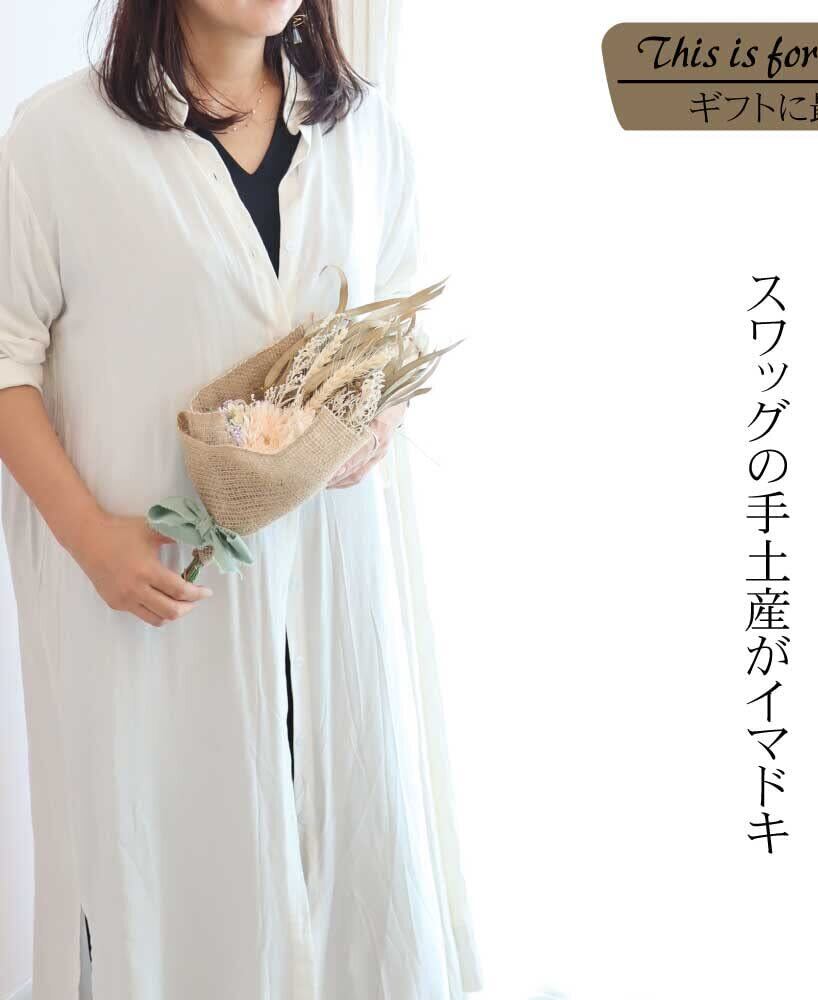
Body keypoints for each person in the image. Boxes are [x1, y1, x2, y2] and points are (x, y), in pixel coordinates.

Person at [0, 1, 481, 997]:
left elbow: (392, 335)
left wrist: (372, 425)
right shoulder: (58, 139)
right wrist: (88, 536)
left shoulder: (365, 137)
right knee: (166, 881)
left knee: (342, 866)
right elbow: (5, 356)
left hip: (330, 585)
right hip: (151, 595)